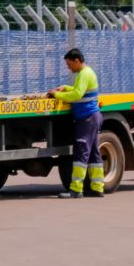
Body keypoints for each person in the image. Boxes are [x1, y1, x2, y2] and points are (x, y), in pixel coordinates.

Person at [48, 48, 104, 199]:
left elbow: (77, 94)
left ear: (77, 61)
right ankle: (97, 187)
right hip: (92, 117)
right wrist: (66, 87)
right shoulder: (87, 73)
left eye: (69, 64)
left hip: (86, 119)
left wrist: (57, 94)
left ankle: (76, 189)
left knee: (81, 153)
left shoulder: (84, 74)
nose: (68, 67)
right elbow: (80, 90)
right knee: (93, 154)